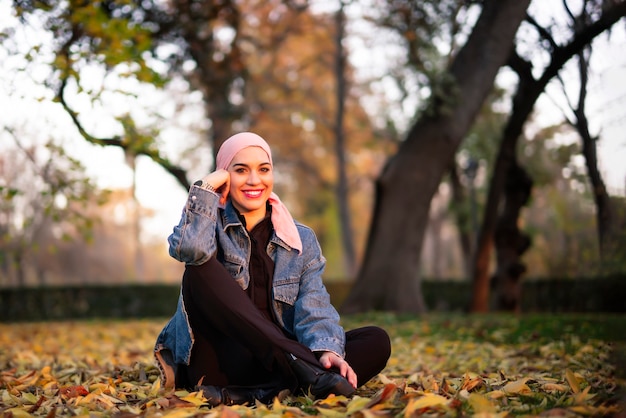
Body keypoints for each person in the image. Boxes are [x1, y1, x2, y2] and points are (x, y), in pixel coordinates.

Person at [154, 132, 391, 406]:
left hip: (272, 369)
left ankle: (255, 394)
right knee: (198, 267)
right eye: (241, 170)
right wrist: (205, 187)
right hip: (221, 361)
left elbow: (313, 303)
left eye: (263, 169)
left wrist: (327, 350)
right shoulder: (210, 227)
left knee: (375, 340)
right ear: (224, 175)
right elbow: (190, 250)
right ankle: (299, 371)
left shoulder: (300, 237)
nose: (255, 180)